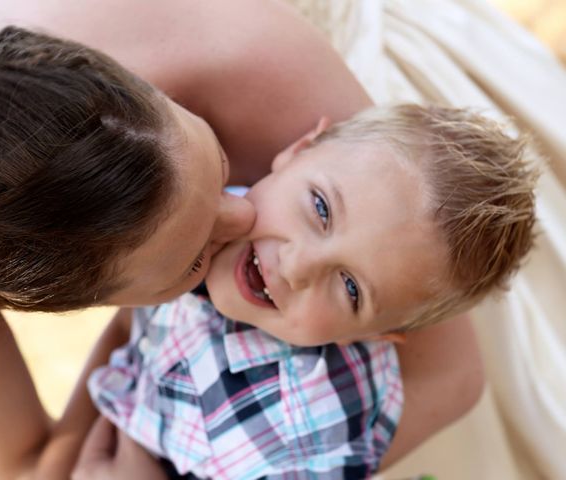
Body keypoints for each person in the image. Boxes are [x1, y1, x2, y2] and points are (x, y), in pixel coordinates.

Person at [0, 4, 486, 479]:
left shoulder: (354, 172)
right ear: (89, 302)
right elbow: (25, 463)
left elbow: (451, 374)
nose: (242, 213)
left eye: (221, 168)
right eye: (194, 257)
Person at [85, 104, 536, 479]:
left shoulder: (300, 435)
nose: (298, 266)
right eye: (320, 208)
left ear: (376, 336)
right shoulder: (205, 203)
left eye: (350, 287)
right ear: (299, 150)